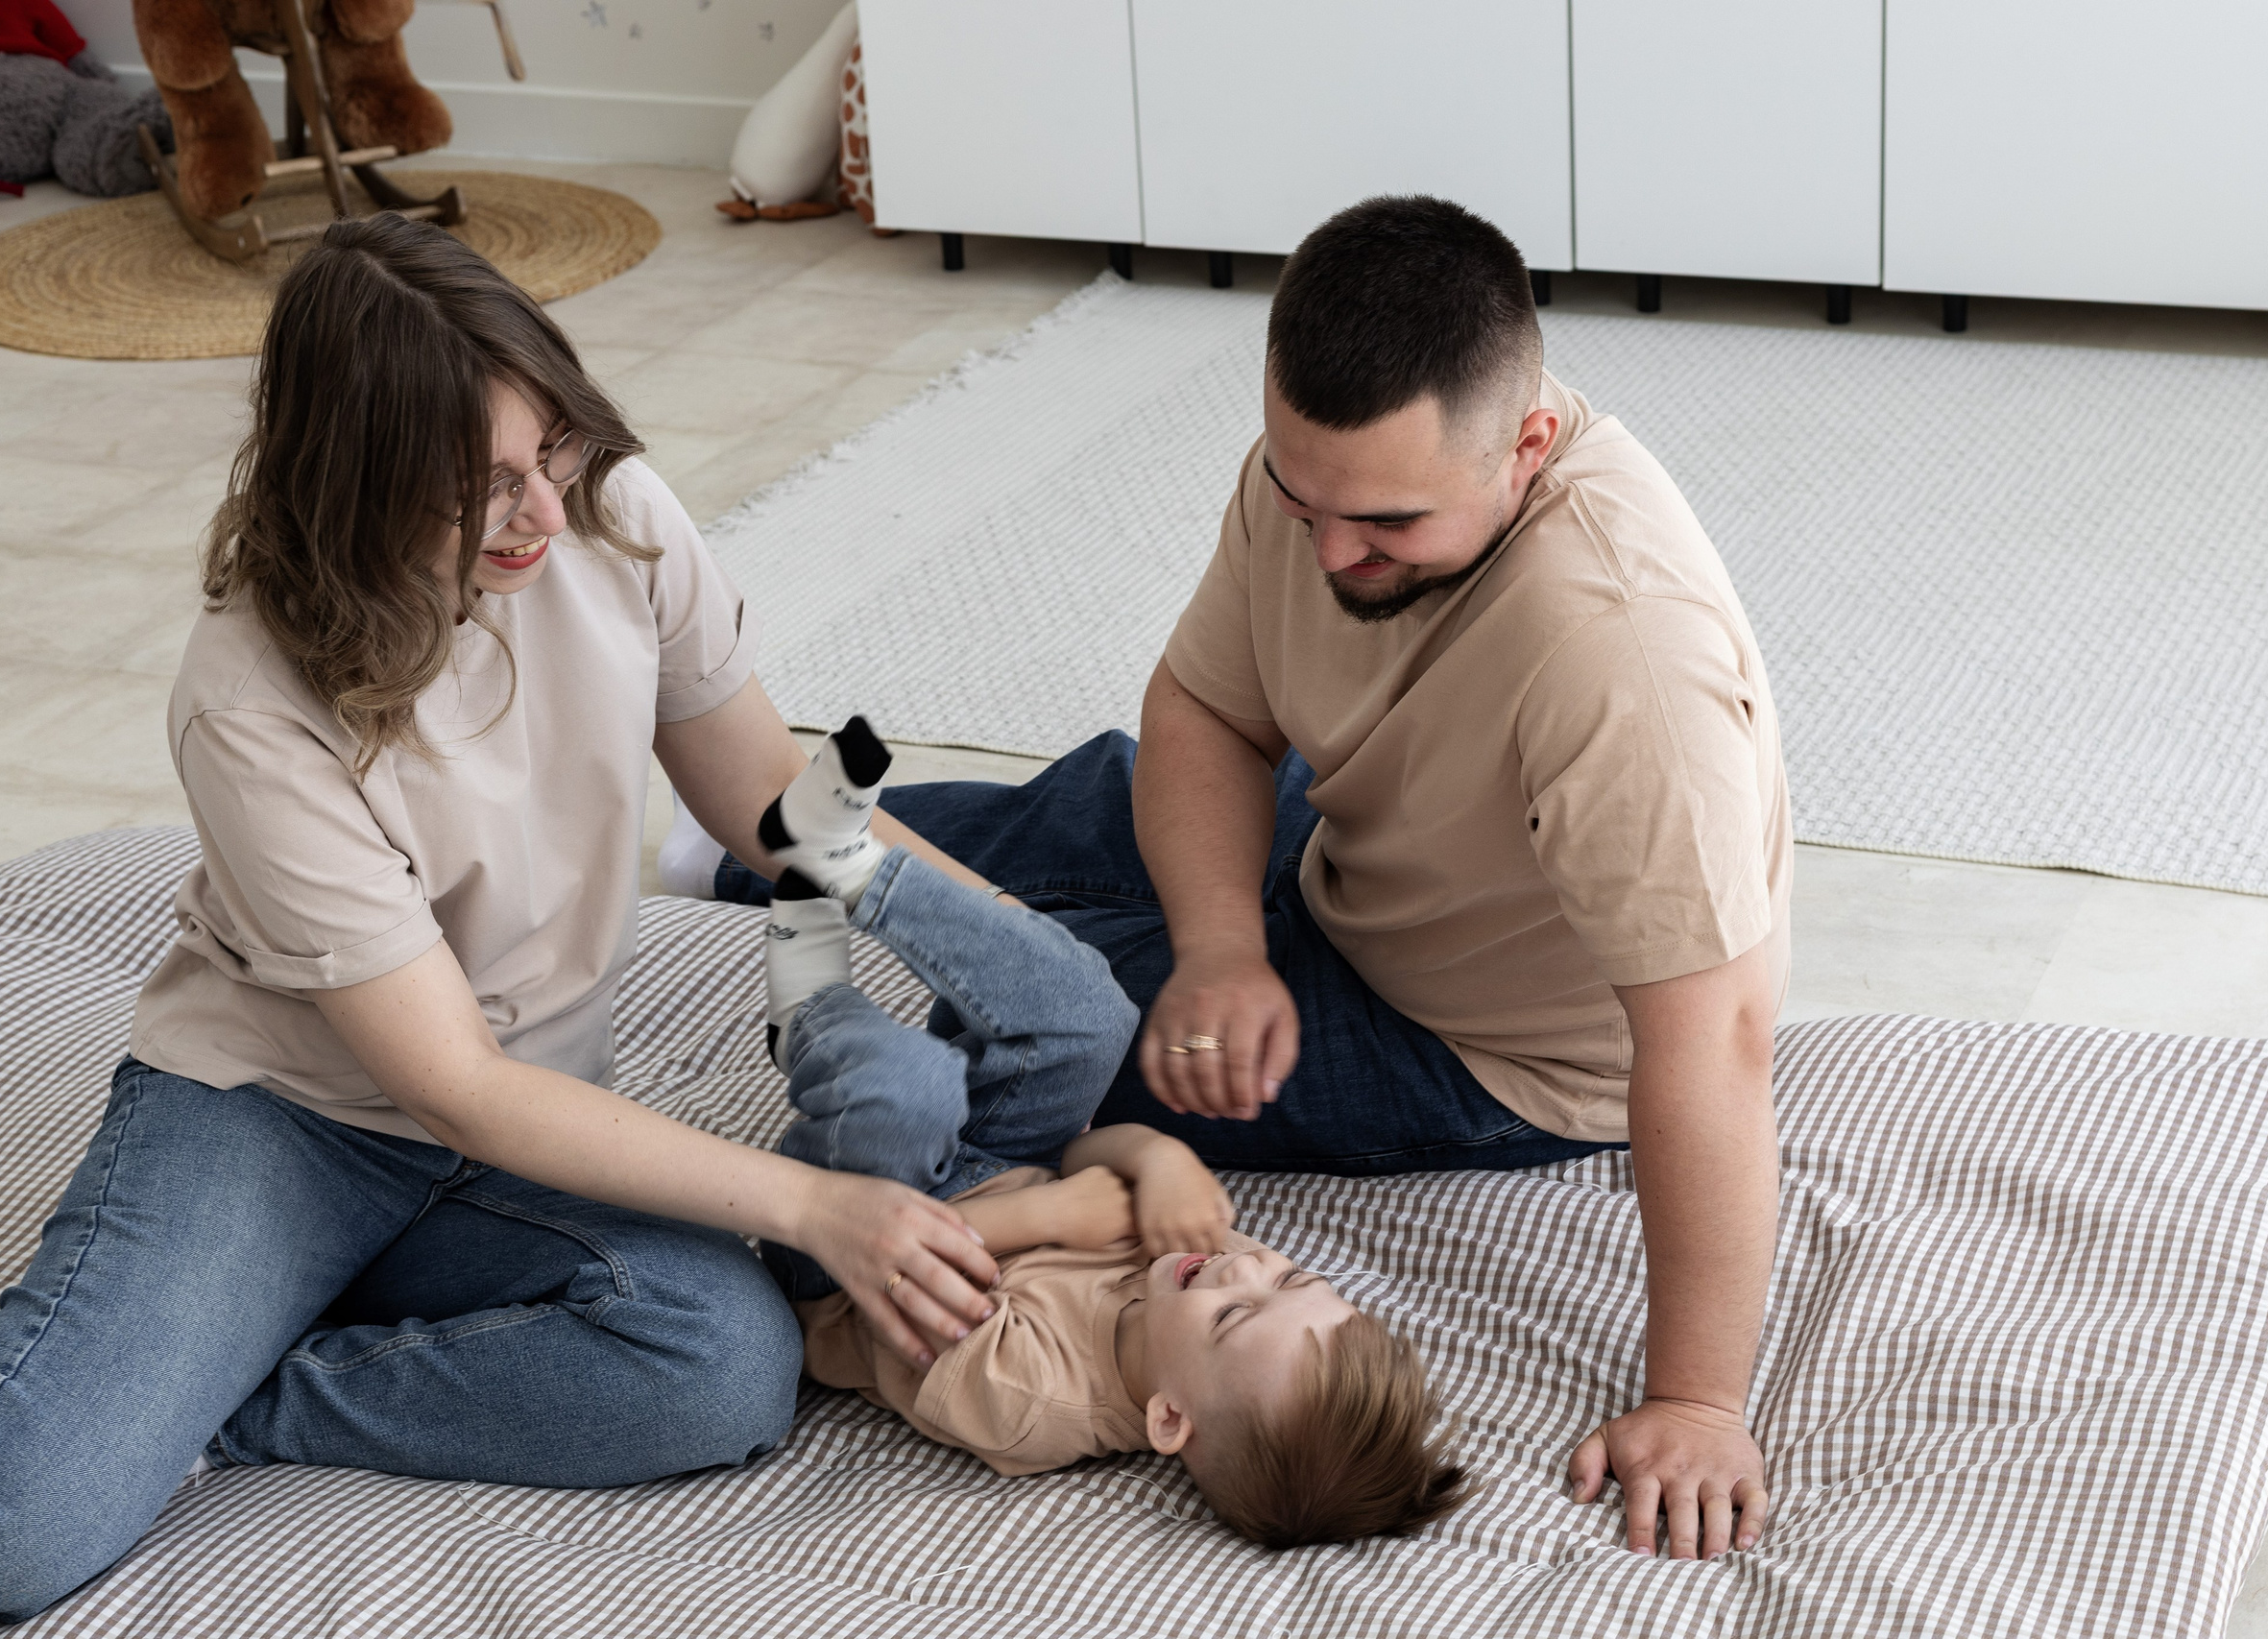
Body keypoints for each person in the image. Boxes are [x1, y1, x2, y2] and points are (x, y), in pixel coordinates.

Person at [0, 214, 1008, 1621]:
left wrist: (1020, 949)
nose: (545, 509)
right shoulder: (246, 696)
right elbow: (452, 1082)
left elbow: (773, 794)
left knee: (719, 1365)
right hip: (289, 1116)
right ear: (353, 486)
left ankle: (231, 1393)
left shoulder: (612, 516)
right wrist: (820, 1202)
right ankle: (117, 1397)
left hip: (522, 1114)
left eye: (558, 452)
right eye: (486, 487)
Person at [686, 195, 1792, 1561]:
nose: (1331, 556)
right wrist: (1220, 938)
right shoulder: (1333, 472)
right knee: (1113, 791)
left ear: (1531, 442)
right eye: (1299, 497)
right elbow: (1206, 711)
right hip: (1359, 838)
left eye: (1386, 524)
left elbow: (1716, 1036)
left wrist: (1697, 1397)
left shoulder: (1623, 660)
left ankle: (789, 873)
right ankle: (721, 839)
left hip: (1473, 1036)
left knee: (1071, 1018)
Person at [746, 732, 1463, 1546]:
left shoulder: (1027, 1399)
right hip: (1004, 1167)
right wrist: (1154, 1159)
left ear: (1167, 1418)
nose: (1244, 1267)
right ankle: (853, 864)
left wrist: (1058, 1216)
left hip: (841, 1250)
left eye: (1232, 1317)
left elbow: (893, 1263)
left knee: (910, 1087)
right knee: (1094, 1013)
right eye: (1290, 1274)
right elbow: (1086, 1155)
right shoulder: (1203, 1271)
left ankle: (804, 1001)